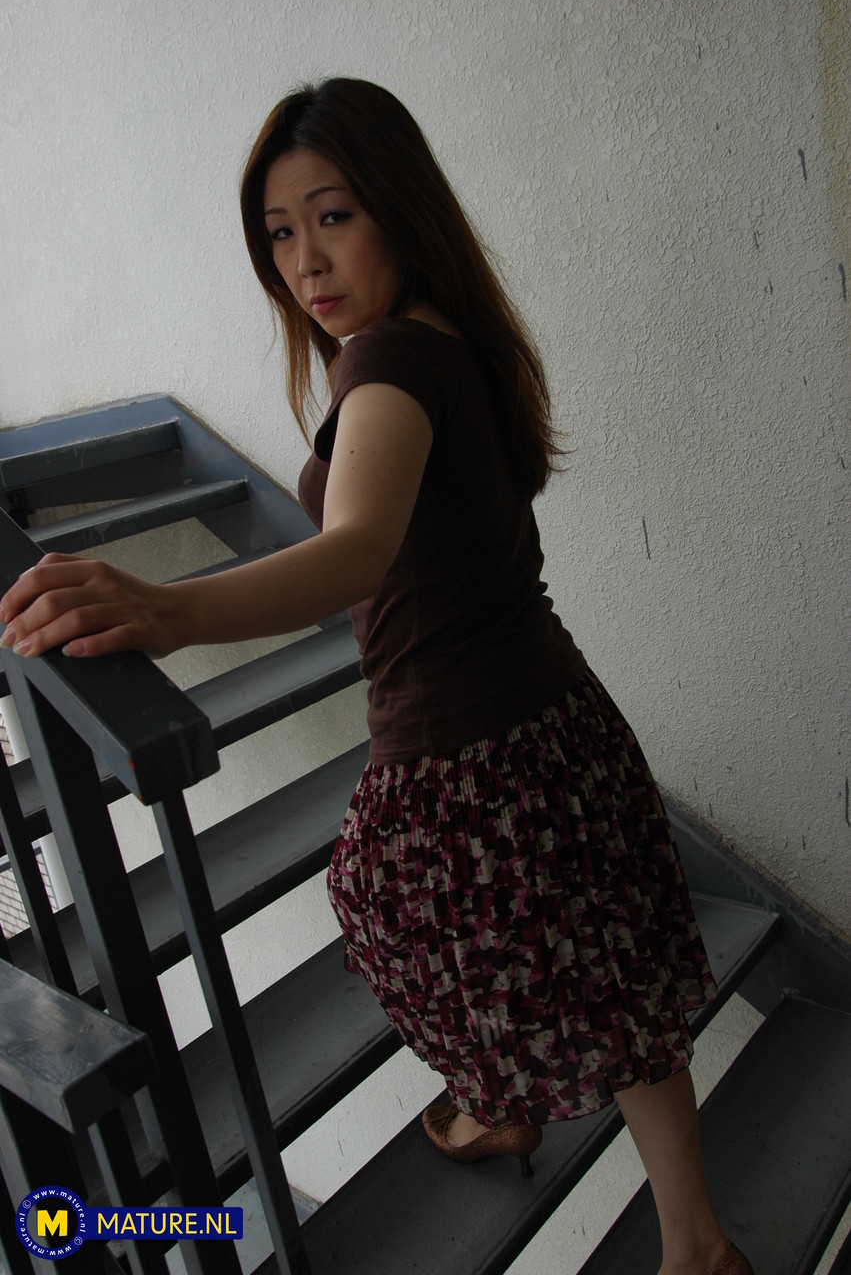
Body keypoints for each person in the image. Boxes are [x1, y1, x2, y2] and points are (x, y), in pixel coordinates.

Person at [0, 78, 752, 1275]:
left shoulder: (388, 361)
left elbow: (355, 546)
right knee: (602, 973)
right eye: (278, 232)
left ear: (400, 206)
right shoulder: (457, 341)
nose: (303, 258)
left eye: (332, 215)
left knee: (381, 902)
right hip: (557, 720)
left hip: (469, 753)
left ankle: (521, 1111)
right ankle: (684, 1230)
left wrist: (169, 608)